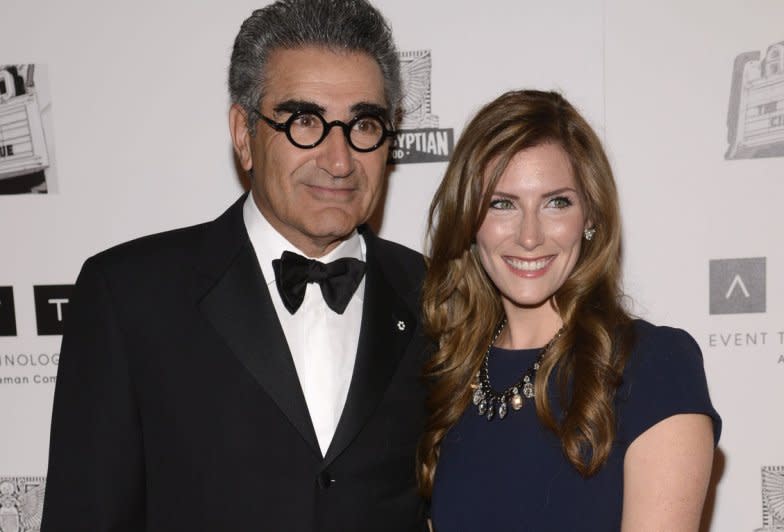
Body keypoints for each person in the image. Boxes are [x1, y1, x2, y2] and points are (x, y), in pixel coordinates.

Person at [41, 1, 429, 530]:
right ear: (245, 135)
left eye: (363, 124)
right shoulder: (129, 297)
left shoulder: (437, 297)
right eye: (305, 122)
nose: (339, 161)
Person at [418, 90, 720, 531]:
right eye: (502, 204)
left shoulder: (654, 366)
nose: (529, 236)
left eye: (556, 202)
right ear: (469, 220)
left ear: (591, 215)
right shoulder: (449, 374)